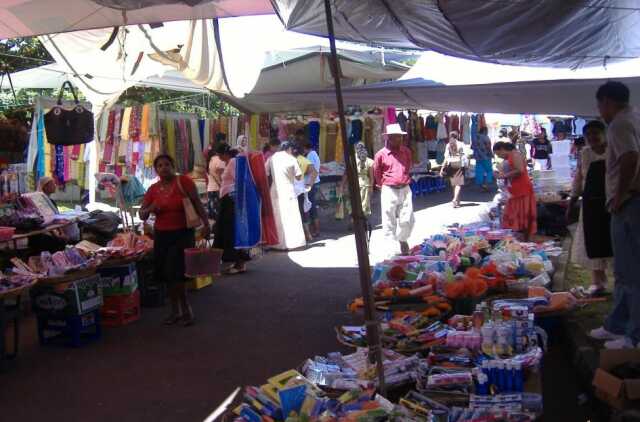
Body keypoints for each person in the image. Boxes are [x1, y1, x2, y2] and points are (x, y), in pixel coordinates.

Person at [589, 81, 640, 349]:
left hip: (630, 203)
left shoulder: (619, 123)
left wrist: (620, 195)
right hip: (631, 201)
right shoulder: (635, 116)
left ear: (607, 102)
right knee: (624, 269)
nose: (600, 112)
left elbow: (630, 158)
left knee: (630, 270)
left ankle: (633, 336)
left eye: (600, 106)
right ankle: (617, 325)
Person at [140, 155, 209, 326]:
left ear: (173, 166)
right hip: (162, 235)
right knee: (167, 274)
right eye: (160, 165)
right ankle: (176, 310)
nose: (164, 168)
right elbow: (142, 214)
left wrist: (207, 224)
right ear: (156, 170)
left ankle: (185, 310)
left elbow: (197, 203)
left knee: (177, 273)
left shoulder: (184, 182)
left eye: (167, 164)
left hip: (183, 234)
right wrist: (151, 208)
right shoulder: (153, 189)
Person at [568, 120, 612, 297]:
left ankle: (623, 282)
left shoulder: (614, 150)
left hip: (612, 203)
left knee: (612, 241)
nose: (593, 137)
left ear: (604, 133)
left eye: (596, 133)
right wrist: (572, 201)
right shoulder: (584, 153)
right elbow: (579, 178)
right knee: (593, 242)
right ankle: (598, 283)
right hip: (591, 204)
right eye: (589, 135)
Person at [374, 123, 414, 255]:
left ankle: (402, 239)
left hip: (405, 188)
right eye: (397, 137)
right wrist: (382, 185)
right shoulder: (381, 154)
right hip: (388, 189)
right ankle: (391, 248)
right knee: (388, 220)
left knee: (407, 218)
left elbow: (408, 167)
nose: (400, 139)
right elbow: (377, 171)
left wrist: (403, 178)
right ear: (389, 138)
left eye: (400, 137)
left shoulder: (406, 151)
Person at [214, 150, 251, 274]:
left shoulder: (233, 162)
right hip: (230, 199)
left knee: (230, 230)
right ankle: (238, 262)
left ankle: (237, 262)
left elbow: (239, 180)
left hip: (230, 200)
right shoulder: (233, 162)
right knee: (230, 230)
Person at [493, 142, 537, 241]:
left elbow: (520, 170)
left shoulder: (515, 154)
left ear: (502, 149)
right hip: (514, 190)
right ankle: (521, 239)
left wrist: (503, 175)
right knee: (516, 215)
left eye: (498, 154)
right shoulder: (509, 156)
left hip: (522, 188)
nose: (499, 156)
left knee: (523, 215)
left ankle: (525, 239)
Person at [267, 142, 306, 250]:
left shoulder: (272, 158)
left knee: (277, 216)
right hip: (288, 190)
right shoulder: (292, 159)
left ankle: (276, 243)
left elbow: (266, 173)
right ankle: (292, 243)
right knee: (290, 217)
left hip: (275, 190)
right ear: (289, 149)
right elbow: (299, 177)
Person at [337, 142, 375, 233]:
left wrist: (342, 185)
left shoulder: (351, 159)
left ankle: (353, 222)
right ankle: (362, 223)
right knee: (364, 205)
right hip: (364, 184)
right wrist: (371, 187)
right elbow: (371, 176)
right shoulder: (369, 161)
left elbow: (346, 174)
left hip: (353, 184)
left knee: (352, 204)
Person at [293, 146, 317, 241]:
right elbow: (314, 172)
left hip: (292, 188)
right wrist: (310, 184)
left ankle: (301, 235)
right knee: (303, 212)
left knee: (295, 212)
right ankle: (308, 234)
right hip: (300, 187)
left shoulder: (290, 160)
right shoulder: (304, 160)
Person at [441, 132, 467, 208]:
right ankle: (455, 199)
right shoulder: (461, 144)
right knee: (458, 184)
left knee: (453, 183)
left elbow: (446, 157)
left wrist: (442, 167)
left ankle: (457, 201)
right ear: (457, 136)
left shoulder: (448, 145)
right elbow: (464, 155)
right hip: (459, 164)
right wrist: (466, 164)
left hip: (451, 164)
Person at [206, 143, 231, 223]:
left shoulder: (211, 159)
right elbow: (221, 177)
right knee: (219, 214)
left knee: (213, 215)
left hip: (210, 189)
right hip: (217, 189)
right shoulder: (218, 160)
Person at [303, 142, 322, 237]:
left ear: (305, 148)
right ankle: (315, 229)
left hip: (311, 183)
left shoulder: (310, 156)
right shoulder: (315, 154)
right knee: (312, 205)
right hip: (314, 181)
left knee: (311, 206)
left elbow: (309, 170)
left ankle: (316, 230)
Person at [472, 127, 494, 191]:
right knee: (489, 171)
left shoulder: (475, 137)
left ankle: (481, 186)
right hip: (486, 156)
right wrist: (491, 154)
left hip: (478, 157)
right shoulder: (485, 137)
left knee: (479, 171)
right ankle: (486, 185)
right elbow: (488, 147)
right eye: (487, 131)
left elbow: (472, 147)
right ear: (484, 131)